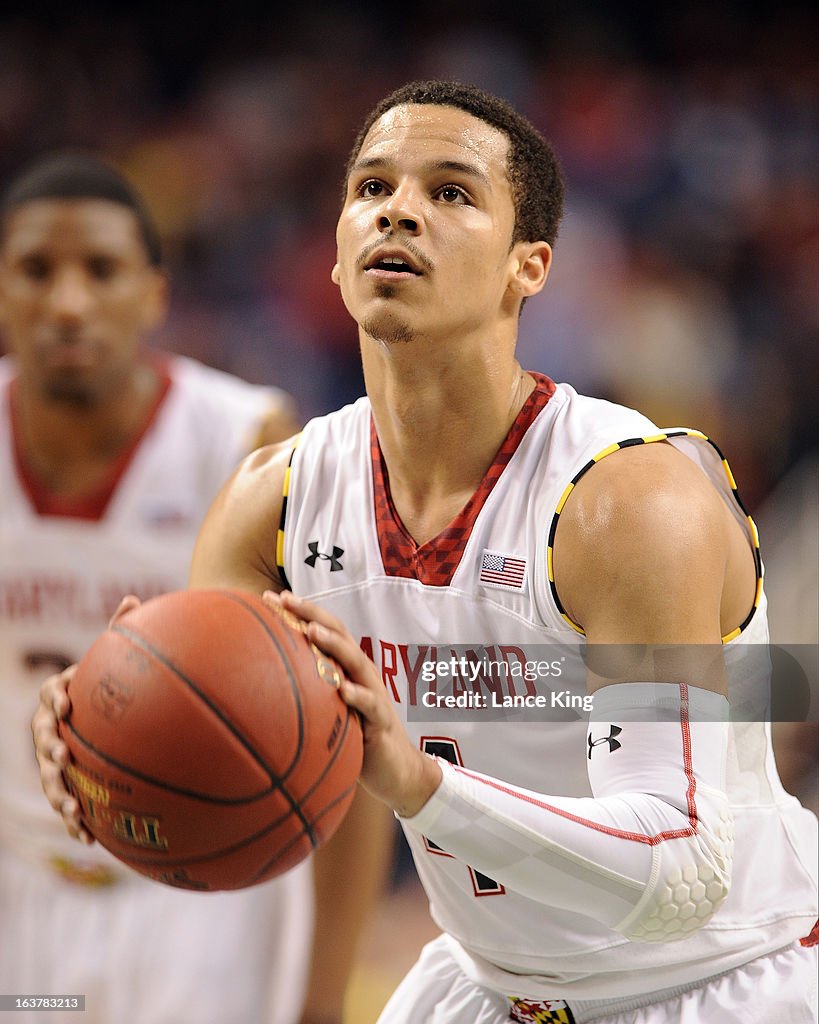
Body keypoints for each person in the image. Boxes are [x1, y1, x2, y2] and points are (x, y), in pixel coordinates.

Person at [34, 81, 817, 1023]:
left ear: (528, 268)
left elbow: (677, 867)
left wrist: (416, 782)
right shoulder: (269, 504)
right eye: (370, 188)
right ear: (332, 255)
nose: (397, 207)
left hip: (724, 980)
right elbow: (239, 772)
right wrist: (102, 745)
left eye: (451, 192)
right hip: (493, 987)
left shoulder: (626, 500)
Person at [3, 151, 391, 1024]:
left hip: (208, 892)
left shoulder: (245, 439)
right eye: (35, 270)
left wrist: (322, 1002)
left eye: (100, 270)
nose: (67, 301)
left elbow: (346, 726)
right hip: (18, 884)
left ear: (152, 294)